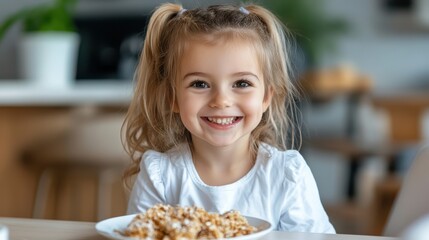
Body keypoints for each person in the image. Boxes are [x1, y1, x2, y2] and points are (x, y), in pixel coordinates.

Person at [122, 2, 335, 233]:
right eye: (200, 84)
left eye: (242, 83)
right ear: (172, 97)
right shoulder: (160, 176)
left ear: (266, 97)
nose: (221, 100)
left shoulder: (287, 176)